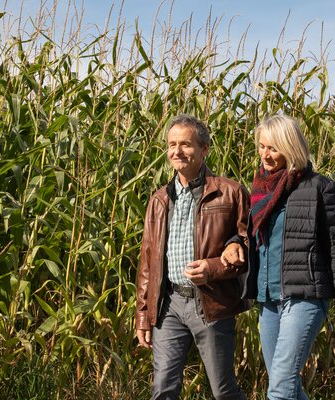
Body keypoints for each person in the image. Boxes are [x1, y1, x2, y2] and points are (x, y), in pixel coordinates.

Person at [223, 114, 335, 400]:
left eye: (273, 148)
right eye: (261, 147)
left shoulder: (319, 187)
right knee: (286, 385)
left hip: (305, 297)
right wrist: (235, 243)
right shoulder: (259, 190)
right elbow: (250, 235)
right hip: (268, 298)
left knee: (280, 389)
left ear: (290, 146)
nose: (265, 155)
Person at [135, 114, 251, 400]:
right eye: (172, 144)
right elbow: (148, 262)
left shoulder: (231, 192)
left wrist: (213, 267)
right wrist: (142, 315)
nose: (177, 151)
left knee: (223, 391)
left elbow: (250, 246)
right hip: (169, 305)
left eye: (185, 144)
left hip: (211, 302)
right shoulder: (159, 199)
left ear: (204, 149)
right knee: (163, 388)